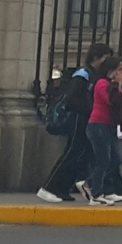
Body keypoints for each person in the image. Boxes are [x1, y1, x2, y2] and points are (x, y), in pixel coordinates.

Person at [38, 43, 111, 202]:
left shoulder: (94, 74)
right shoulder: (83, 74)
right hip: (78, 117)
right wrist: (89, 108)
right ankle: (49, 187)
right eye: (105, 57)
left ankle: (63, 188)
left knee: (79, 155)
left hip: (86, 118)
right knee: (71, 153)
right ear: (97, 57)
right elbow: (72, 98)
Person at [76, 56, 122, 206]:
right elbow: (112, 101)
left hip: (110, 126)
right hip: (98, 125)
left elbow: (121, 103)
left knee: (116, 159)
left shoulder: (114, 86)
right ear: (111, 71)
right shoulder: (101, 84)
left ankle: (91, 183)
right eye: (119, 70)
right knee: (103, 159)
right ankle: (96, 194)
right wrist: (117, 85)